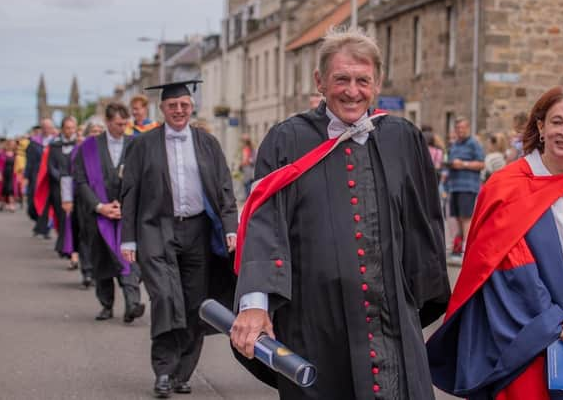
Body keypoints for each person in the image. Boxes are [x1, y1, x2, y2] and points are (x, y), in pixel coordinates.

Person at [230, 28, 449, 400]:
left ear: (377, 82)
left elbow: (423, 223)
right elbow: (266, 223)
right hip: (316, 319)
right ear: (320, 81)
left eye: (363, 80)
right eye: (341, 79)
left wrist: (417, 302)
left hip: (390, 320)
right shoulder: (287, 140)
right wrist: (255, 303)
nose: (352, 91)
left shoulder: (403, 138)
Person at [427, 87, 563, 399]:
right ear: (540, 127)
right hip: (527, 342)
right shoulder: (505, 187)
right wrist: (560, 326)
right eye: (556, 122)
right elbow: (507, 270)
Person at [120, 80, 238, 398]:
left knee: (194, 303)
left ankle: (182, 373)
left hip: (198, 230)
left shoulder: (207, 143)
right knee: (165, 298)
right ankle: (163, 370)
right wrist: (128, 239)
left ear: (191, 107)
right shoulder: (143, 145)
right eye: (172, 105)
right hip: (156, 228)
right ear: (162, 109)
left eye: (184, 105)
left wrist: (231, 227)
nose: (179, 110)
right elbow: (129, 193)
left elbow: (224, 187)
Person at [73, 103, 145, 318]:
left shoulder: (136, 144)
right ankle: (106, 305)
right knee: (102, 260)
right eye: (118, 124)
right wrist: (100, 207)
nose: (122, 128)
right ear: (107, 121)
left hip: (127, 214)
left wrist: (127, 206)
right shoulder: (88, 147)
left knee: (129, 257)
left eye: (125, 124)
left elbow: (144, 179)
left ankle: (132, 303)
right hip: (98, 214)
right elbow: (81, 181)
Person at [33, 116, 78, 259]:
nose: (70, 131)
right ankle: (65, 245)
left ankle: (73, 249)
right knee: (62, 217)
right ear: (62, 129)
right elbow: (51, 166)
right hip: (58, 187)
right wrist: (62, 178)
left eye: (72, 128)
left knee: (76, 218)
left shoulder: (80, 145)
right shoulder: (54, 146)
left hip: (77, 187)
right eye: (67, 128)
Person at [447, 117, 485, 260]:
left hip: (468, 186)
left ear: (468, 128)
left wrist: (463, 164)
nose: (460, 131)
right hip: (454, 186)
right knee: (457, 218)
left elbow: (482, 164)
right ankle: (458, 248)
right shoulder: (454, 145)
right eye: (458, 128)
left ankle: (466, 250)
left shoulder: (474, 144)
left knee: (466, 218)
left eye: (462, 128)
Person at [25, 119, 55, 223]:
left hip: (51, 175)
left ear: (52, 128)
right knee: (33, 198)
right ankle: (37, 217)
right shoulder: (34, 143)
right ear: (41, 128)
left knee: (49, 198)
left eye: (49, 127)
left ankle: (45, 222)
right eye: (44, 127)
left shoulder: (57, 142)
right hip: (36, 174)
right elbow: (29, 160)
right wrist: (26, 176)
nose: (47, 130)